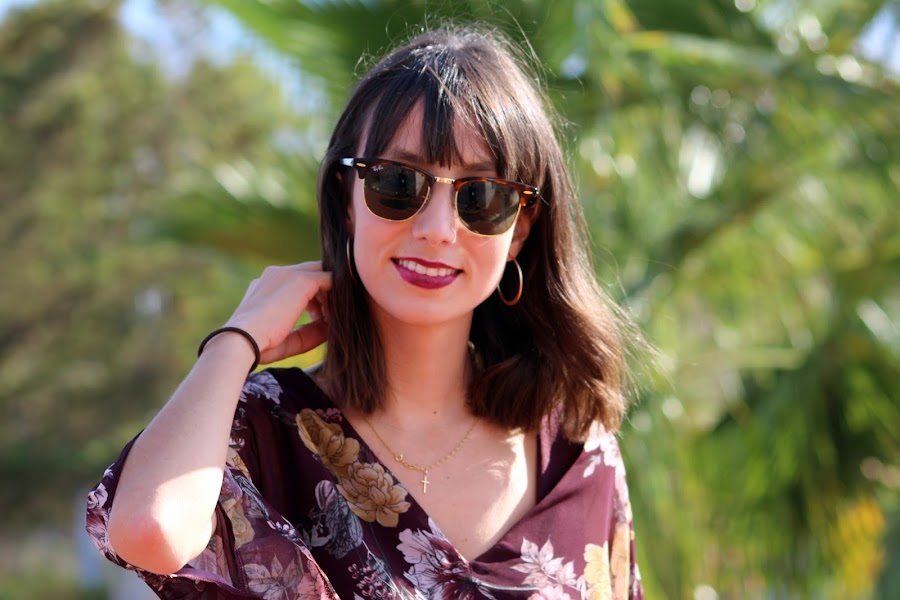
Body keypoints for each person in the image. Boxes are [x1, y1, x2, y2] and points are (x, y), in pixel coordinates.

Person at [86, 25, 644, 600]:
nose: (437, 230)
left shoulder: (575, 448)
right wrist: (235, 341)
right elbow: (149, 532)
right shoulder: (266, 429)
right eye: (399, 183)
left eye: (480, 196)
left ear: (520, 229)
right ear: (347, 199)